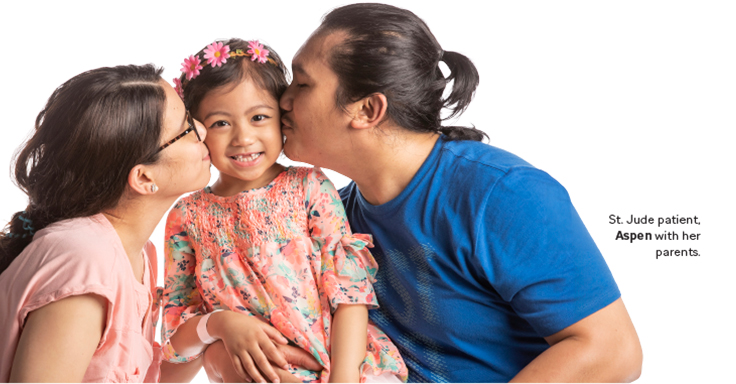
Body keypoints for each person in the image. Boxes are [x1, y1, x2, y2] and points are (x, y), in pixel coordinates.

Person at [205, 3, 643, 383]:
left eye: (302, 85)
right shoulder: (329, 215)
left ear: (367, 109)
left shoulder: (500, 194)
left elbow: (612, 351)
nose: (281, 102)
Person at [0, 64, 209, 382]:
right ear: (144, 177)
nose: (203, 130)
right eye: (186, 128)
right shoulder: (87, 258)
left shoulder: (136, 253)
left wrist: (211, 325)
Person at [159, 39, 407, 383]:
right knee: (220, 354)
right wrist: (222, 325)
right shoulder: (186, 216)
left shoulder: (310, 187)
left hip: (349, 365)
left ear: (282, 118)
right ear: (197, 129)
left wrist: (344, 378)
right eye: (220, 123)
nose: (243, 137)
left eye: (259, 117)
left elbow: (350, 294)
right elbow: (176, 338)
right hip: (261, 373)